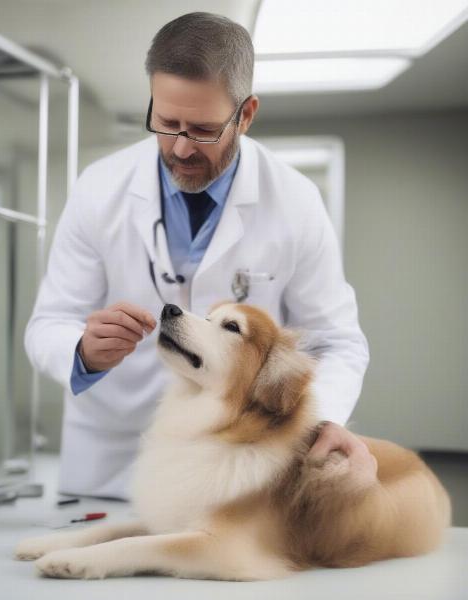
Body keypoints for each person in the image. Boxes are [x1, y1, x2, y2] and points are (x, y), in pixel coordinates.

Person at [24, 12, 373, 499]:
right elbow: (47, 324)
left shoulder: (295, 201)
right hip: (111, 462)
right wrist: (83, 351)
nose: (181, 148)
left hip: (231, 472)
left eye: (204, 129)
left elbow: (337, 343)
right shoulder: (98, 189)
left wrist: (325, 417)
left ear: (245, 115)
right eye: (166, 123)